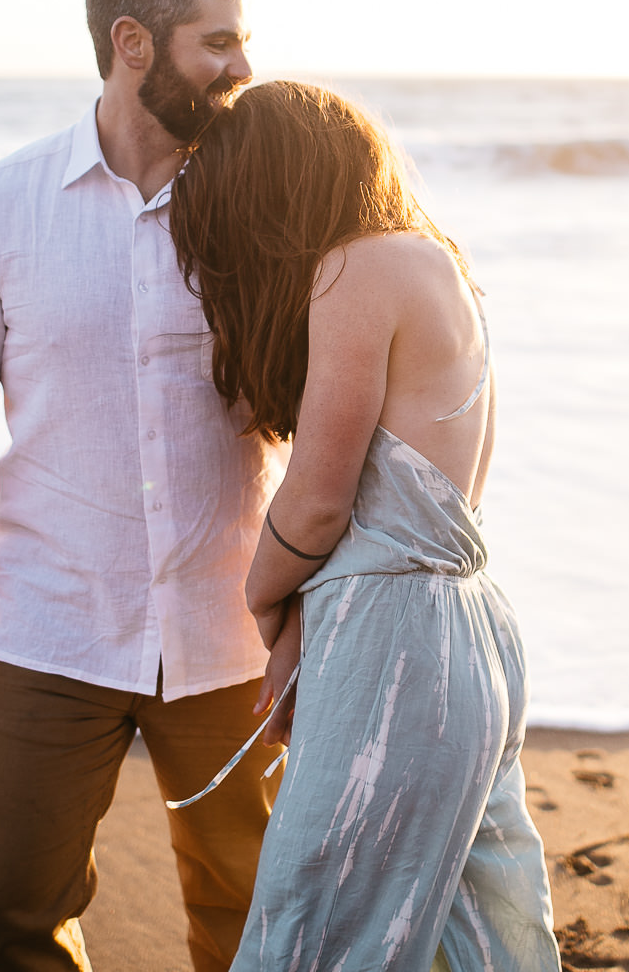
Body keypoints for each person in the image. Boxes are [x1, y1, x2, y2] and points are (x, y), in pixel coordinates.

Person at [0, 0, 284, 972]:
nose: (245, 68)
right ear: (134, 42)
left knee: (262, 912)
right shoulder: (0, 206)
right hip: (46, 625)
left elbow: (336, 399)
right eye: (220, 42)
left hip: (234, 634)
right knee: (14, 903)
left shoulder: (265, 210)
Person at [169, 81, 563, 972]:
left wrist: (263, 598)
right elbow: (447, 503)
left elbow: (316, 499)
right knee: (492, 937)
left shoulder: (355, 267)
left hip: (395, 647)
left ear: (276, 185)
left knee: (311, 932)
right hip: (473, 632)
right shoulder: (439, 264)